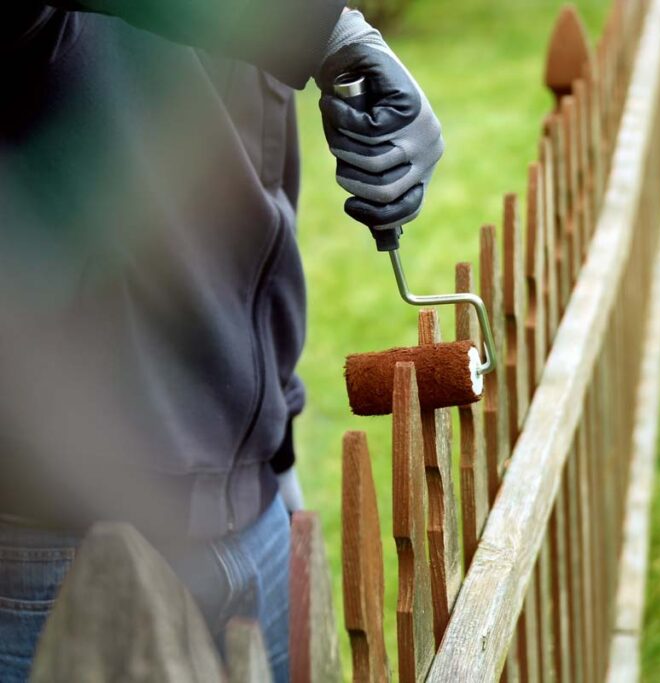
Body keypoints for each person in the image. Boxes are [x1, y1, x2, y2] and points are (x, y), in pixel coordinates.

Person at [0, 2, 442, 681]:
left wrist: (276, 429)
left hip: (253, 506)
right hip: (56, 537)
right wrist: (319, 29)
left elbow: (249, 172)